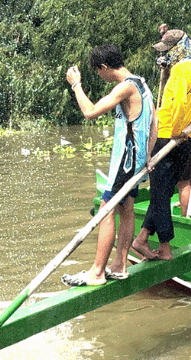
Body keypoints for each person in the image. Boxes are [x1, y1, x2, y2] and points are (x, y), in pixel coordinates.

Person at [63, 44, 156, 286]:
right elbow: (154, 120)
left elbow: (90, 112)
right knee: (126, 208)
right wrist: (147, 156)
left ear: (104, 67)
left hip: (125, 160)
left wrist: (76, 85)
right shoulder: (142, 82)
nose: (100, 77)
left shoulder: (125, 87)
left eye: (98, 72)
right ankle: (120, 265)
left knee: (106, 210)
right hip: (136, 160)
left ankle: (97, 272)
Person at [131, 31, 191, 261]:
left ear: (178, 48)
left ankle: (161, 247)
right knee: (162, 193)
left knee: (161, 195)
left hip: (168, 136)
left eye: (167, 50)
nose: (165, 55)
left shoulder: (179, 71)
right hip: (185, 137)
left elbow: (181, 103)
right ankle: (143, 239)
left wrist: (175, 131)